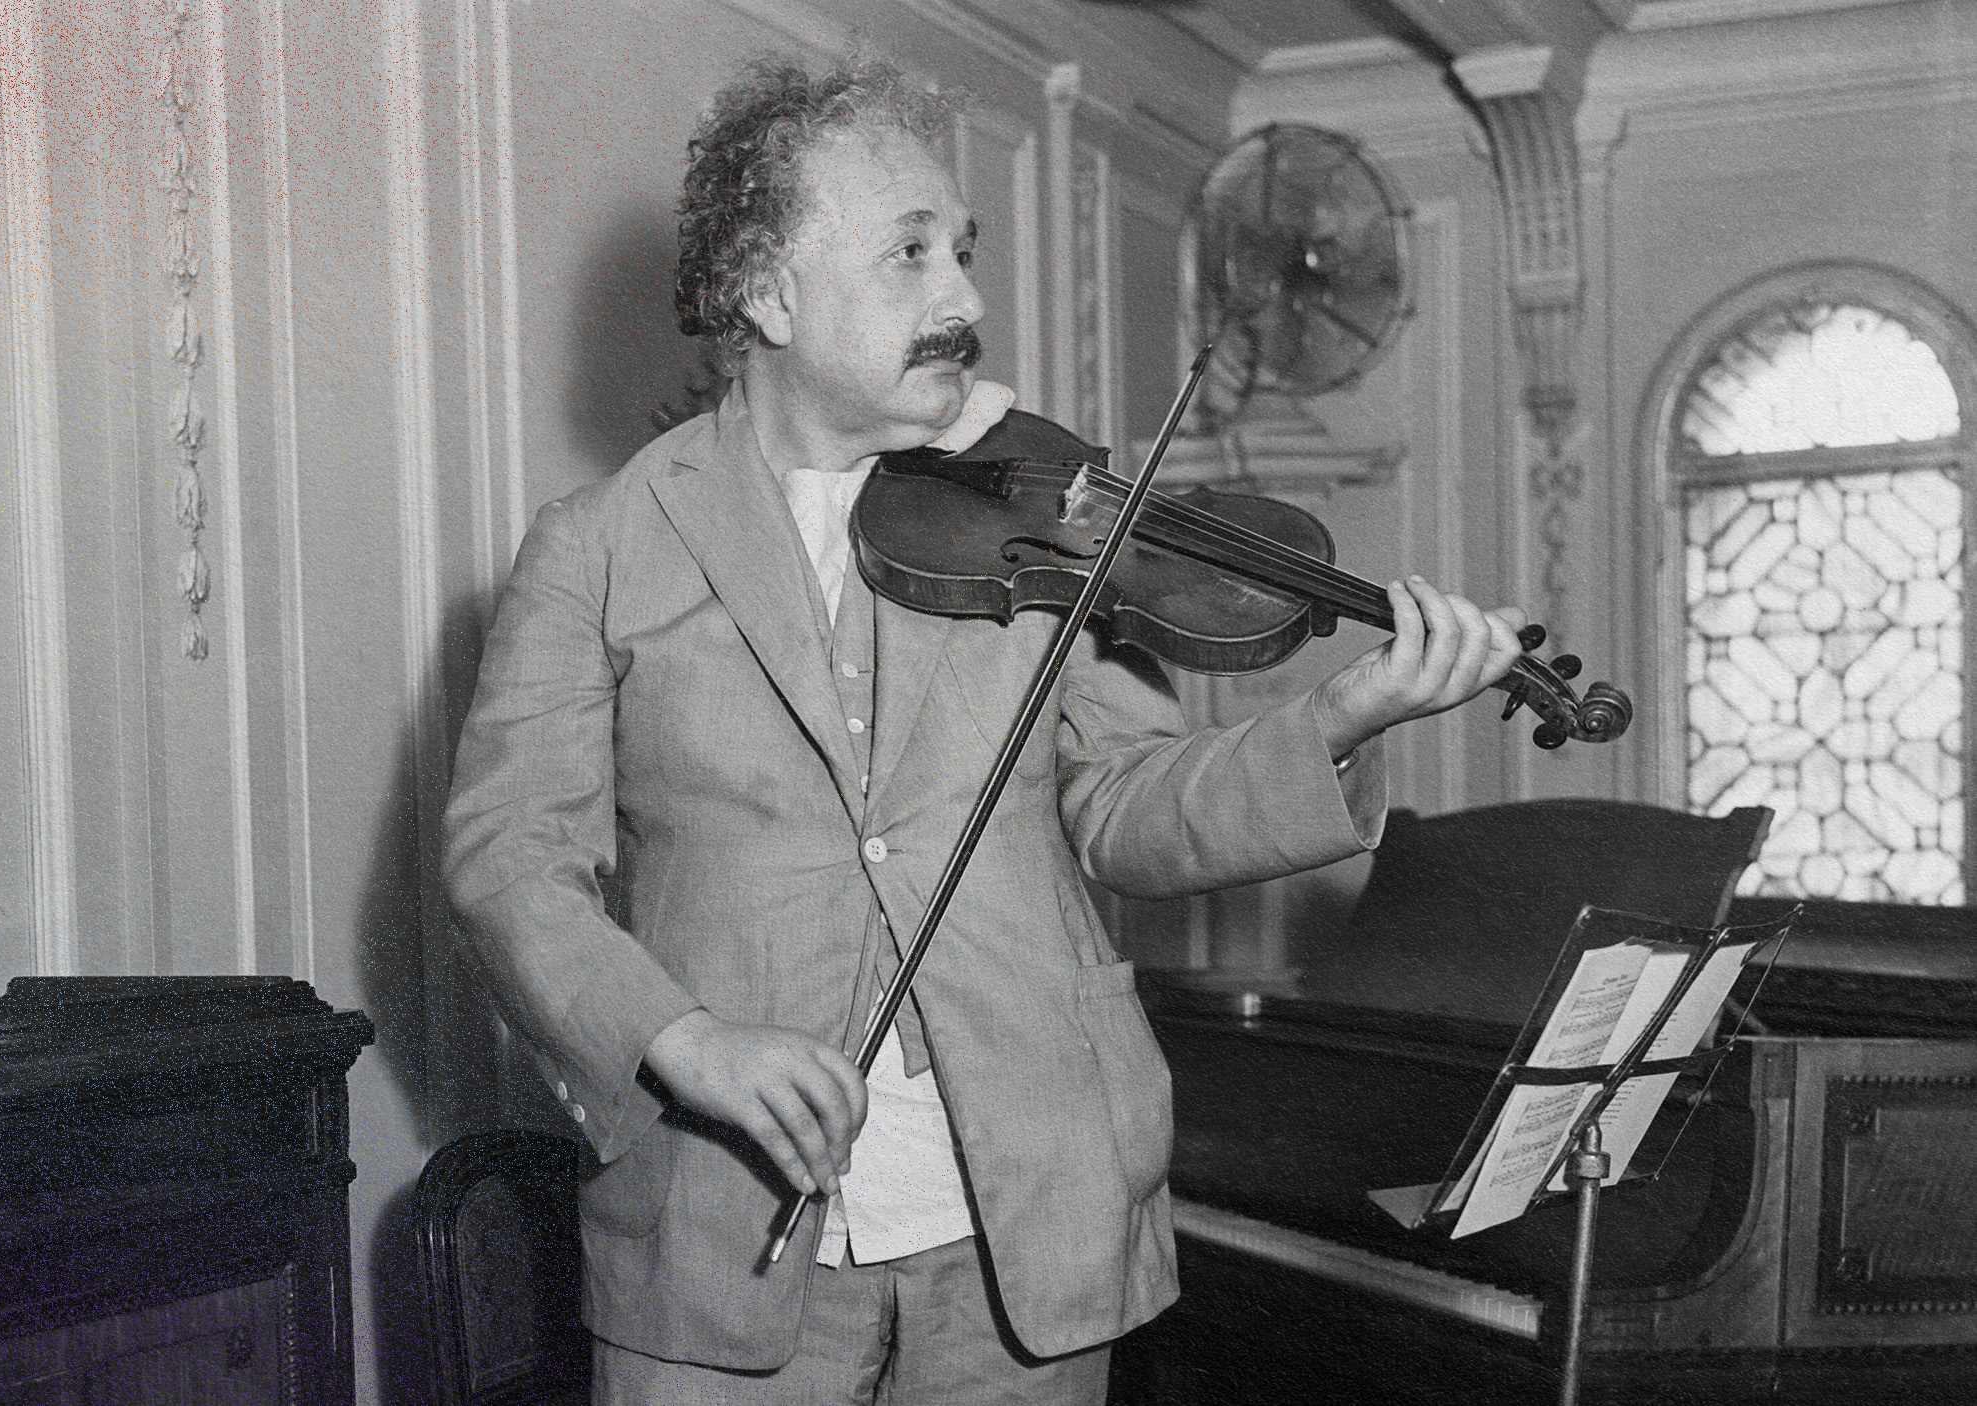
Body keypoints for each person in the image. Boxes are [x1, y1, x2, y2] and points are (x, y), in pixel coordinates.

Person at [441, 55, 1524, 1405]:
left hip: (1030, 1217)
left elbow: (1125, 801)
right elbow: (505, 861)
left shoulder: (1022, 515)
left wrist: (1345, 713)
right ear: (766, 292)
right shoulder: (598, 548)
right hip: (720, 1244)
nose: (965, 298)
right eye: (909, 255)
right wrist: (684, 1039)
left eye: (962, 249)